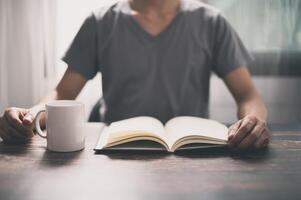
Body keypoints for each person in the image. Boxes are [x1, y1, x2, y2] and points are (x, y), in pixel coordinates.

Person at [0, 0, 269, 149]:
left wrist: (254, 120)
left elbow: (248, 96)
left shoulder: (212, 22)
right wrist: (31, 114)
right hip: (115, 153)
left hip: (193, 151)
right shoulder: (101, 21)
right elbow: (62, 93)